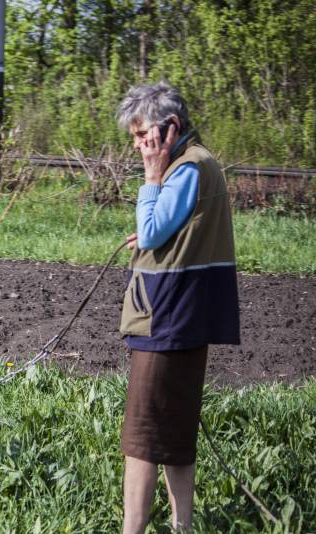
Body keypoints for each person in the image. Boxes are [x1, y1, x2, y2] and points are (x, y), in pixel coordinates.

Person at [115, 81, 240, 533]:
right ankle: (182, 526)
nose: (137, 145)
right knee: (175, 433)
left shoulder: (183, 169)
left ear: (169, 129)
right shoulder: (200, 162)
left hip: (166, 319)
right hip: (187, 316)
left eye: (141, 134)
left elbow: (151, 234)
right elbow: (174, 231)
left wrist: (152, 177)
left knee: (143, 439)